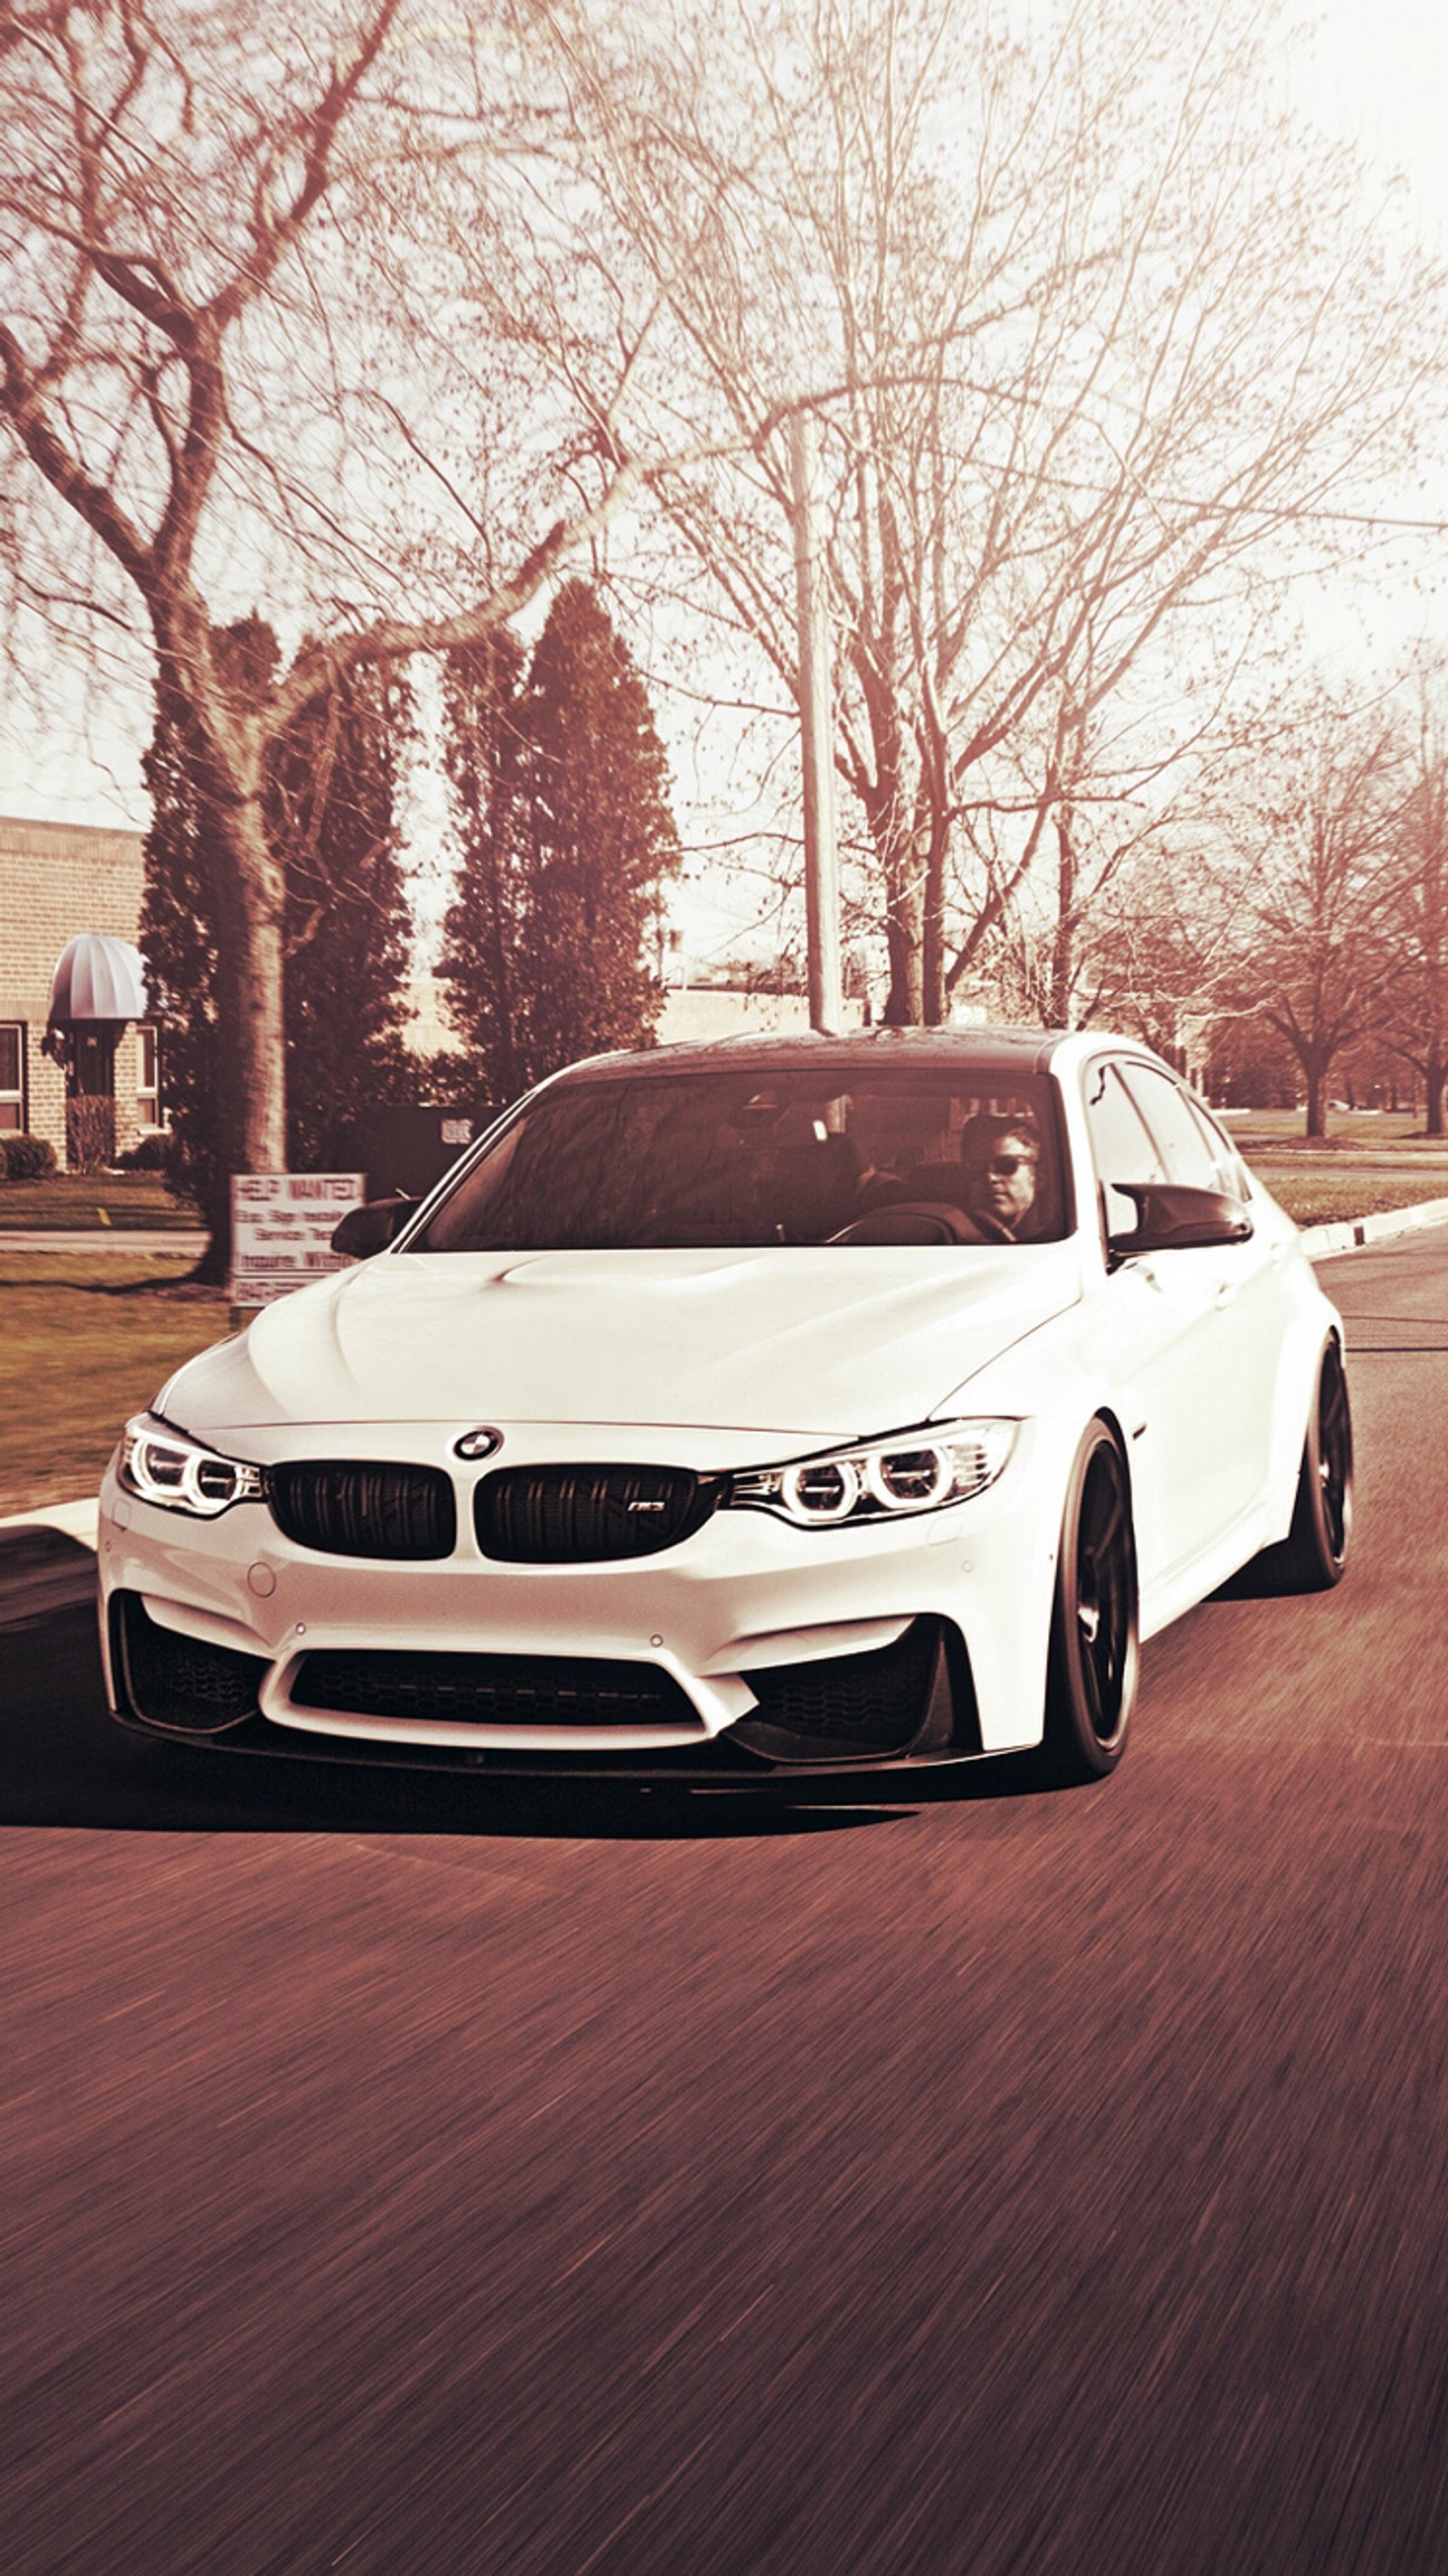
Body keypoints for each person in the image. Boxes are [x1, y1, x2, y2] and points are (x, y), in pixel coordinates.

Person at [958, 1111, 1043, 1242]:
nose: (990, 1177)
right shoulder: (948, 1238)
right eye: (976, 1167)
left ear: (1038, 1177)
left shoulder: (1061, 1239)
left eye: (1006, 1165)